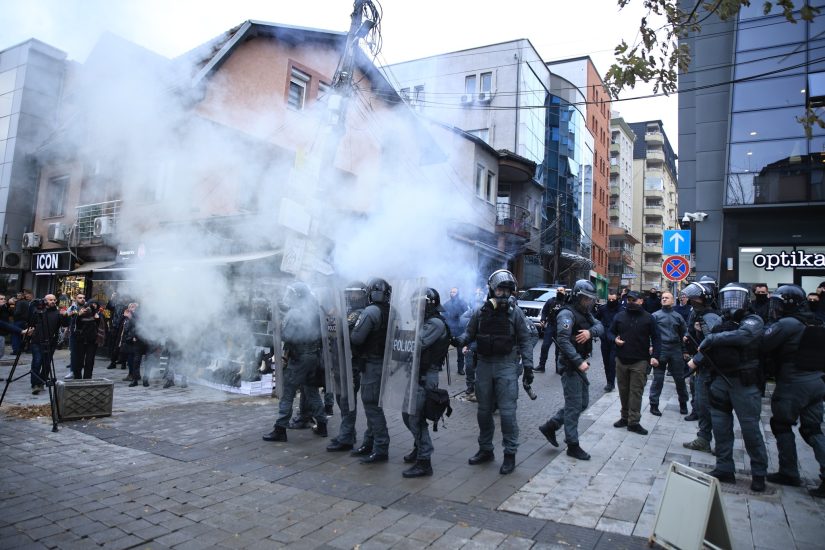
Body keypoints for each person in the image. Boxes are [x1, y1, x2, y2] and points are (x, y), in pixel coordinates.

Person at [455, 269, 534, 475]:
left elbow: (525, 340)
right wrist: (457, 340)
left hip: (506, 366)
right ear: (492, 290)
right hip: (484, 365)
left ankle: (510, 454)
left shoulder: (516, 313)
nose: (503, 295)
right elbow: (469, 333)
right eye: (500, 290)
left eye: (507, 291)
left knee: (507, 413)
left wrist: (528, 366)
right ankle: (485, 449)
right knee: (483, 412)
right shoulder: (480, 312)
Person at [691, 282, 768, 491]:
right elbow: (708, 346)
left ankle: (759, 473)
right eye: (728, 298)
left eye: (736, 298)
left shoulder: (753, 320)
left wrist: (713, 337)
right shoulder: (721, 321)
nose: (732, 303)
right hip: (720, 380)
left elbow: (744, 336)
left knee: (750, 430)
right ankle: (724, 467)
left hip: (744, 383)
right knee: (720, 427)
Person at [761, 285, 825, 497]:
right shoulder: (814, 320)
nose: (776, 308)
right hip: (816, 381)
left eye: (779, 304)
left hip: (793, 382)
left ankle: (788, 471)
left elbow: (764, 343)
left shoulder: (788, 323)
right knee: (812, 429)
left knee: (781, 424)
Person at [538, 279, 604, 460]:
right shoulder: (567, 314)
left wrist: (590, 332)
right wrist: (578, 361)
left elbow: (600, 327)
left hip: (579, 363)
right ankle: (572, 444)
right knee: (574, 405)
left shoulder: (585, 313)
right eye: (585, 298)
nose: (588, 302)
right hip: (570, 365)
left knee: (582, 403)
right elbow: (563, 340)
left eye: (590, 299)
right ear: (577, 296)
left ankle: (551, 426)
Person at [263, 282, 327, 442]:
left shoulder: (295, 313)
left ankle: (280, 429)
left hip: (299, 358)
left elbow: (287, 336)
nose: (289, 296)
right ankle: (322, 425)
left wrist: (278, 327)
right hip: (313, 356)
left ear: (298, 296)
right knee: (311, 391)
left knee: (287, 393)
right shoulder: (315, 309)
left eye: (292, 294)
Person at [401, 288, 450, 478]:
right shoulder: (424, 322)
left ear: (429, 304)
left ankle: (424, 461)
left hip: (426, 376)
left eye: (419, 304)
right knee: (408, 414)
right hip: (416, 373)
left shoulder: (435, 323)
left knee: (415, 416)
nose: (415, 308)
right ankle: (418, 447)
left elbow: (417, 343)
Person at [348, 278, 392, 463]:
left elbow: (356, 338)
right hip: (386, 363)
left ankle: (381, 448)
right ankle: (369, 442)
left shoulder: (371, 311)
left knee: (371, 405)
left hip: (373, 364)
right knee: (374, 405)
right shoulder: (392, 311)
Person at [608, 290, 661, 435]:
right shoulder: (620, 316)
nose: (631, 302)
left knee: (636, 392)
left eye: (634, 300)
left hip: (640, 361)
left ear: (641, 301)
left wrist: (655, 356)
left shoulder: (649, 318)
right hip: (621, 360)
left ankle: (634, 422)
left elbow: (656, 338)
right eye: (629, 300)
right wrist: (614, 340)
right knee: (623, 391)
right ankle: (624, 417)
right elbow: (610, 332)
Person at [327, 281, 369, 453]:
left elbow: (345, 329)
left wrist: (336, 318)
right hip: (341, 361)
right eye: (350, 293)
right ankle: (348, 433)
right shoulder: (347, 312)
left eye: (356, 293)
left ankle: (346, 438)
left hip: (352, 363)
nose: (352, 296)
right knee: (340, 398)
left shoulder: (360, 313)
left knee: (347, 400)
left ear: (363, 295)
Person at [681, 278, 721, 452]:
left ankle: (717, 443)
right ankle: (703, 438)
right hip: (703, 367)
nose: (692, 300)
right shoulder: (698, 313)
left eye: (695, 298)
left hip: (709, 368)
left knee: (709, 406)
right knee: (701, 404)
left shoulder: (710, 316)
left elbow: (713, 343)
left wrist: (697, 359)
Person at [649, 292, 689, 416]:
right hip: (660, 349)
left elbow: (684, 335)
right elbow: (649, 333)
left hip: (676, 349)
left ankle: (683, 402)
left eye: (667, 298)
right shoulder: (655, 316)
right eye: (663, 298)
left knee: (680, 378)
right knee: (658, 378)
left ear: (673, 301)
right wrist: (651, 346)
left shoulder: (678, 316)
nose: (664, 299)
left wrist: (685, 351)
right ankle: (654, 404)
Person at [29, 294, 64, 394]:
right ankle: (35, 384)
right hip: (37, 341)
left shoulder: (57, 313)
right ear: (45, 301)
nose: (52, 301)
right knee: (37, 362)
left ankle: (41, 382)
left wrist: (65, 315)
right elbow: (30, 322)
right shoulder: (38, 311)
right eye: (50, 300)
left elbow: (65, 324)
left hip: (50, 342)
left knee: (47, 364)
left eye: (54, 300)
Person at [70, 295, 103, 380]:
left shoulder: (98, 314)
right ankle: (77, 378)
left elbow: (100, 327)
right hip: (81, 340)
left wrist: (97, 319)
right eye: (92, 304)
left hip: (92, 341)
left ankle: (87, 378)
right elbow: (75, 324)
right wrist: (79, 315)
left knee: (89, 361)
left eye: (95, 304)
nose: (94, 306)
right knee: (79, 360)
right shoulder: (81, 311)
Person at [595, 291, 622, 392]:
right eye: (609, 299)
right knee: (606, 362)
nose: (611, 301)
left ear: (617, 299)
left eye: (613, 299)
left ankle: (611, 383)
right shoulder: (603, 308)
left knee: (612, 362)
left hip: (615, 339)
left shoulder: (621, 309)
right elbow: (596, 319)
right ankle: (609, 382)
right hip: (605, 339)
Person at [536, 286, 566, 373]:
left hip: (561, 328)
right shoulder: (551, 301)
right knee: (545, 346)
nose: (559, 291)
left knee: (559, 349)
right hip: (551, 326)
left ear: (565, 292)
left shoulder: (567, 302)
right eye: (558, 290)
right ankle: (541, 366)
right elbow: (544, 311)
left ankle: (558, 367)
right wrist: (543, 320)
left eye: (561, 290)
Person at [442, 287, 468, 375]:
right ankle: (439, 364)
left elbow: (467, 315)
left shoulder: (463, 303)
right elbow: (443, 315)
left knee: (460, 351)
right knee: (442, 348)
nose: (452, 293)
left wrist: (460, 317)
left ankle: (460, 368)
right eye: (451, 292)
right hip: (449, 329)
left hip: (459, 330)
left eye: (454, 292)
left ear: (458, 293)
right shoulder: (446, 304)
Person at [12, 289, 32, 355]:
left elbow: (17, 312)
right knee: (21, 335)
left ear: (22, 296)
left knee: (15, 335)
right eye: (17, 296)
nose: (18, 297)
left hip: (18, 320)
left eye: (19, 296)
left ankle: (16, 350)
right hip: (25, 321)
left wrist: (12, 312)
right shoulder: (27, 302)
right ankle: (20, 349)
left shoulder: (19, 302)